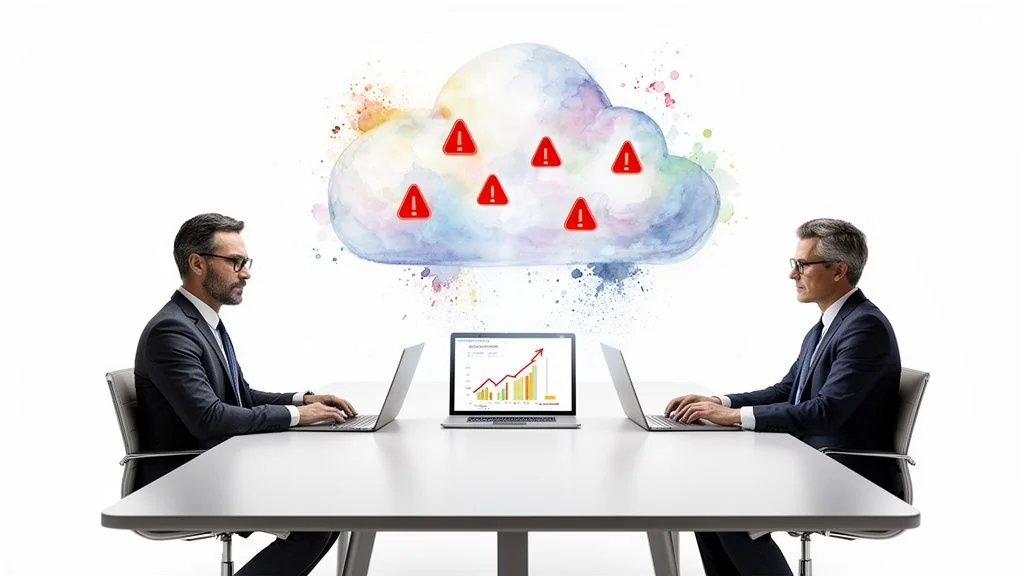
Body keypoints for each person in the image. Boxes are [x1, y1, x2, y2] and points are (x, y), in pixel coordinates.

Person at [664, 218, 902, 576]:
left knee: (722, 504)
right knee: (705, 497)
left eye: (802, 264)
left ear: (839, 270)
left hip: (847, 473)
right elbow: (787, 390)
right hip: (814, 460)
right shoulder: (827, 325)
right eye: (795, 264)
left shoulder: (864, 327)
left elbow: (827, 413)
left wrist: (734, 418)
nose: (794, 274)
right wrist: (720, 402)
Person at [134, 213, 357, 576]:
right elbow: (210, 419)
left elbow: (240, 397)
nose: (246, 272)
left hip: (217, 466)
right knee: (318, 517)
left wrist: (303, 400)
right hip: (185, 478)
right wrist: (299, 418)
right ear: (197, 264)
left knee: (333, 506)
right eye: (235, 262)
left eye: (245, 262)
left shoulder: (205, 323)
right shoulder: (171, 331)